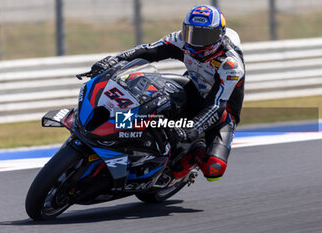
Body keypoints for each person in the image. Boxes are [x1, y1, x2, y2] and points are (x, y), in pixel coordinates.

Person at [88, 5, 245, 182]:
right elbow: (148, 50)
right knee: (150, 101)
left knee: (214, 169)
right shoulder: (180, 40)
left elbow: (216, 105)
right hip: (192, 87)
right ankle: (122, 135)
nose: (196, 42)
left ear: (218, 37)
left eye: (204, 36)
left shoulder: (230, 65)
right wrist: (115, 59)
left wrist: (192, 129)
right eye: (192, 33)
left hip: (222, 111)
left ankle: (193, 152)